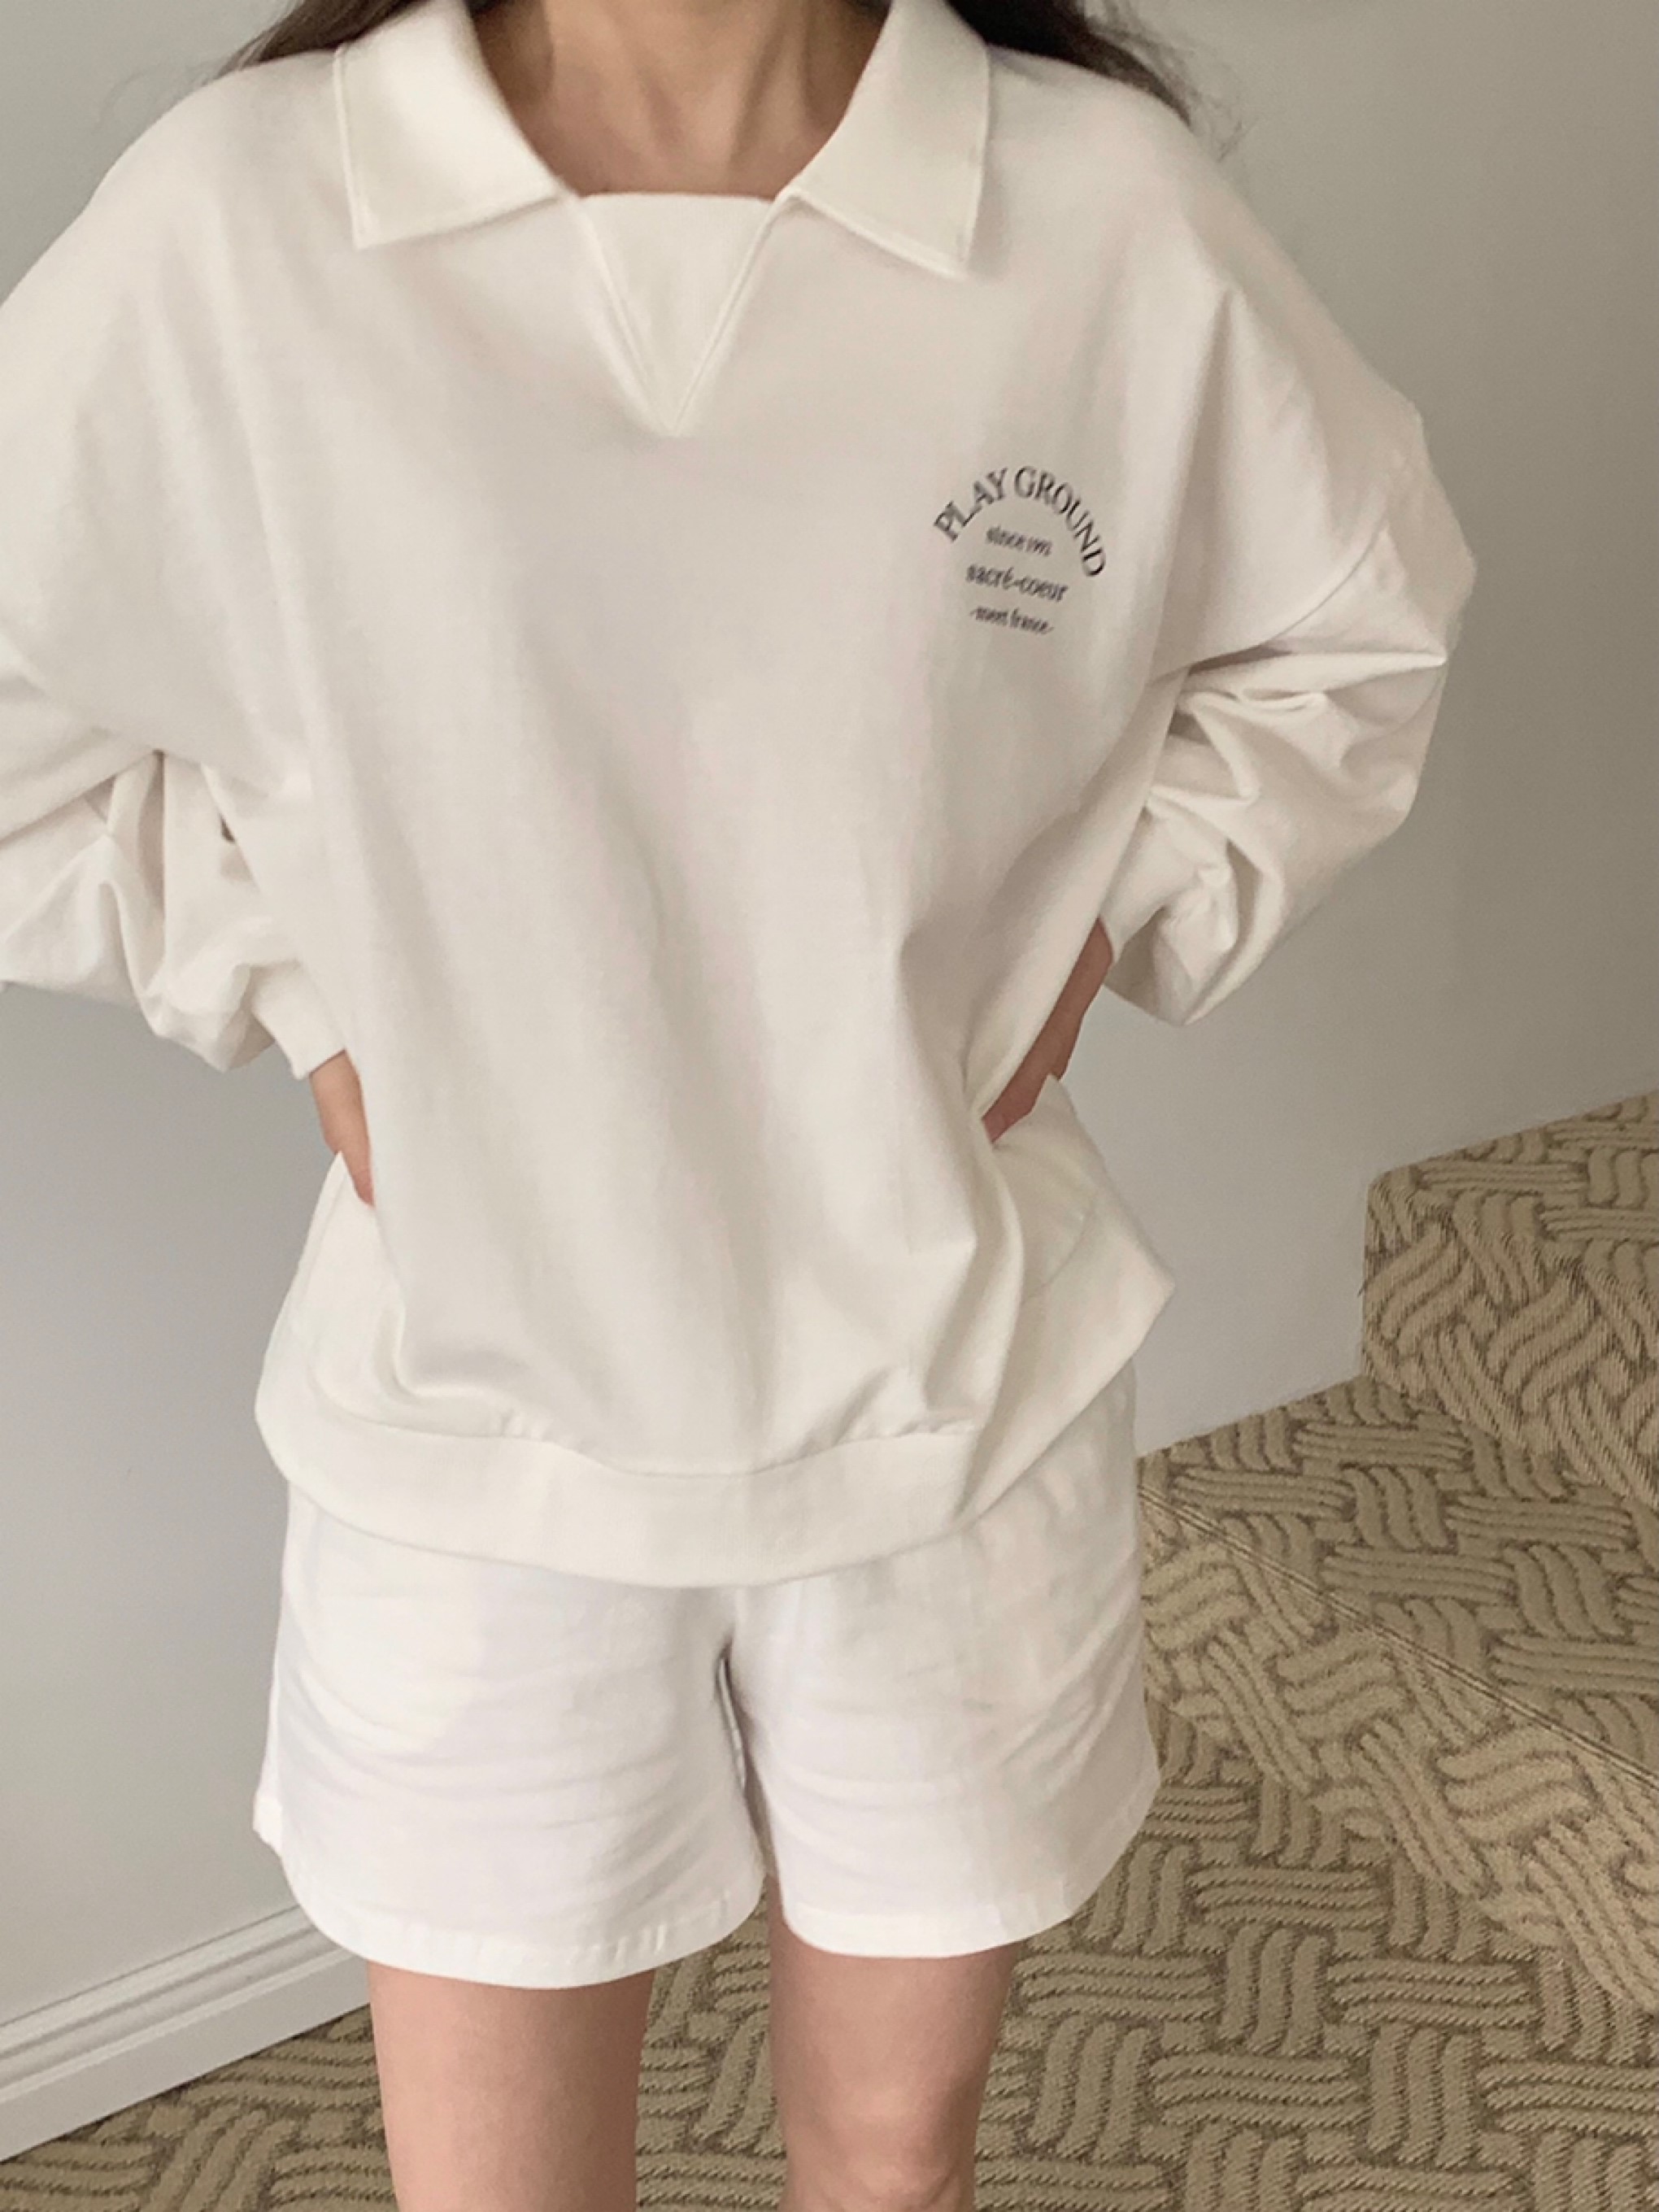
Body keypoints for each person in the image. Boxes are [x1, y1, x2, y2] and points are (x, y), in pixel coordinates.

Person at [0, 0, 1477, 2199]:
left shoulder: (1098, 214)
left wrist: (1112, 925)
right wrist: (291, 988)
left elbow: (1356, 630)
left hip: (953, 1390)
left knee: (895, 2153)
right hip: (476, 1427)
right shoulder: (250, 219)